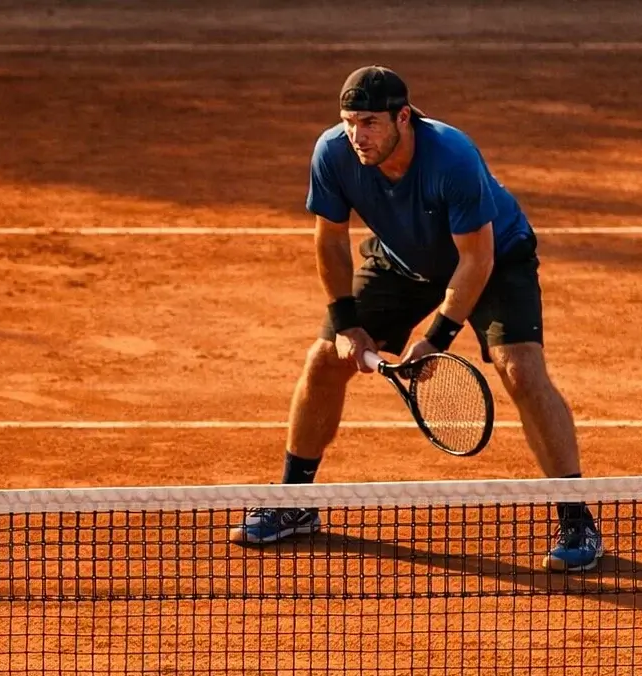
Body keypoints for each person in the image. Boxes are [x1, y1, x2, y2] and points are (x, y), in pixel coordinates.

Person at [231, 67, 602, 572]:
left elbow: (477, 260)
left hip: (496, 259)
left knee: (520, 368)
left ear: (403, 118)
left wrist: (437, 338)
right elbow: (330, 240)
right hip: (402, 261)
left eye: (369, 122)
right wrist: (345, 323)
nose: (357, 135)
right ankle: (294, 500)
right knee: (323, 358)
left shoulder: (452, 156)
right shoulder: (333, 153)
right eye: (349, 122)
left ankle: (577, 518)